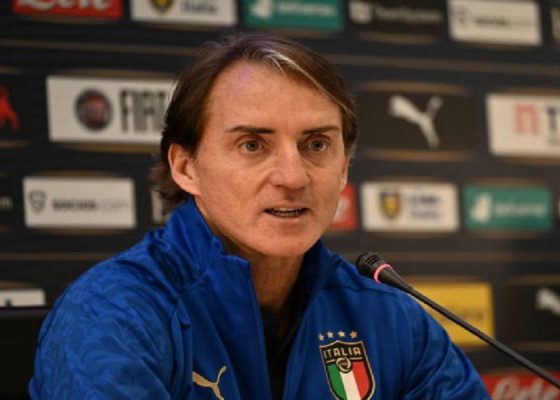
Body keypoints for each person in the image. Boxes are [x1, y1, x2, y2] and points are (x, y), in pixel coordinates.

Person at [30, 31, 490, 399]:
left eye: (316, 145)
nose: (293, 176)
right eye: (253, 145)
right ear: (186, 167)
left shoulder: (390, 318)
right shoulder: (114, 314)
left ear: (345, 167)